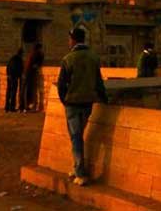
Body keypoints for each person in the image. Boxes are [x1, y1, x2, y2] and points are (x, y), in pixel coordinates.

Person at [57, 28, 107, 186]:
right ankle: (76, 166)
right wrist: (104, 98)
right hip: (87, 103)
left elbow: (61, 84)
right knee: (78, 135)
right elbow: (99, 82)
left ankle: (80, 172)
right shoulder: (93, 57)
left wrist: (65, 100)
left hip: (73, 103)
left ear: (73, 40)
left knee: (76, 137)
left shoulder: (68, 59)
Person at [21, 43, 45, 112]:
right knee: (33, 91)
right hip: (31, 74)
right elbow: (37, 64)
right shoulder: (36, 54)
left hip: (28, 74)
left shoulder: (31, 54)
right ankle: (31, 106)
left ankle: (25, 106)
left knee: (27, 90)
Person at [5, 48, 24, 112]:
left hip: (9, 77)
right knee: (13, 92)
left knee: (8, 92)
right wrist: (18, 76)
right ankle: (12, 107)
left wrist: (8, 74)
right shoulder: (19, 60)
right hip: (14, 77)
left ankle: (7, 107)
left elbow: (8, 66)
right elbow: (20, 69)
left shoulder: (12, 58)